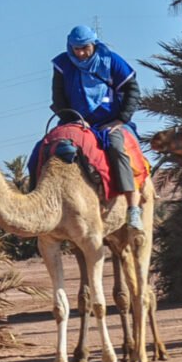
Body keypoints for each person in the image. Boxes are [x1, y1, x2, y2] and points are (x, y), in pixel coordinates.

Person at [51, 25, 143, 229]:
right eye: (76, 49)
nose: (81, 53)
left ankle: (133, 208)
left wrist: (121, 119)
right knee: (49, 149)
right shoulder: (62, 64)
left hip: (108, 123)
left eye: (85, 48)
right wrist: (70, 119)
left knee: (117, 148)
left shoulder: (111, 61)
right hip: (75, 122)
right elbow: (58, 97)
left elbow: (132, 89)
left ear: (93, 44)